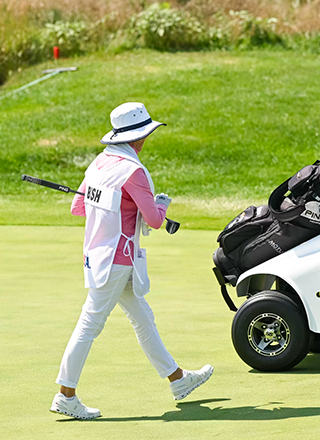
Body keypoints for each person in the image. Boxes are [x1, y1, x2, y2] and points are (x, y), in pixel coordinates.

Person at [50, 102, 213, 420]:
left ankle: (177, 379)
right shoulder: (134, 171)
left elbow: (78, 207)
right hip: (118, 261)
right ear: (141, 137)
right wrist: (161, 203)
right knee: (89, 325)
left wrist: (114, 207)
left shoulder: (100, 163)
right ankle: (65, 394)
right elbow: (153, 220)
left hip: (102, 257)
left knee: (143, 319)